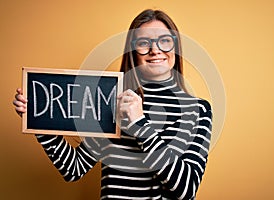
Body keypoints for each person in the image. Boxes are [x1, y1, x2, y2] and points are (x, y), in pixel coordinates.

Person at [13, 9, 212, 200]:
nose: (155, 50)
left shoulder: (198, 110)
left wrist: (140, 126)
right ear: (133, 52)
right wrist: (39, 119)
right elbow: (73, 168)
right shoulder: (111, 101)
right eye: (144, 43)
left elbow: (186, 189)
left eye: (165, 41)